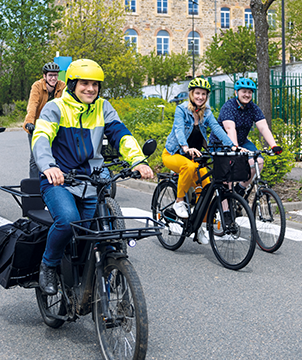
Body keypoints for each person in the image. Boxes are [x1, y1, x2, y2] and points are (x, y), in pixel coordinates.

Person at [31, 59, 153, 295]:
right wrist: (48, 166)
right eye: (84, 83)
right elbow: (42, 137)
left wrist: (138, 160)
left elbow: (121, 134)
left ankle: (93, 279)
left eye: (95, 84)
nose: (90, 89)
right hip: (60, 180)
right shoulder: (55, 107)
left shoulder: (103, 107)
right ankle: (48, 264)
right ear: (73, 84)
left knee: (95, 234)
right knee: (67, 222)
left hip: (91, 182)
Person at [162, 77, 234, 244]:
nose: (200, 97)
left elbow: (217, 128)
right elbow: (179, 130)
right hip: (174, 153)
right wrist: (185, 147)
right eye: (197, 93)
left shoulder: (206, 112)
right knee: (187, 166)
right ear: (191, 94)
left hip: (196, 158)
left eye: (203, 94)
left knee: (207, 187)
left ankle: (199, 226)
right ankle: (179, 202)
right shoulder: (181, 110)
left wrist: (232, 146)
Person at [212, 78, 282, 195]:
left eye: (250, 92)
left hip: (242, 141)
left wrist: (273, 145)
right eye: (244, 91)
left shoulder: (253, 108)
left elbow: (263, 127)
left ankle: (240, 189)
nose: (247, 95)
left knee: (258, 162)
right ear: (236, 92)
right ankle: (226, 211)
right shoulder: (229, 107)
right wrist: (235, 147)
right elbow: (230, 129)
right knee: (226, 179)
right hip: (222, 143)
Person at [23, 62, 66, 178]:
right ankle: (34, 186)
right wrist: (29, 123)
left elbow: (66, 105)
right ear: (44, 76)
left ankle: (56, 181)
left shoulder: (62, 86)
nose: (53, 78)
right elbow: (33, 105)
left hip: (55, 125)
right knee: (35, 157)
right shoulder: (37, 86)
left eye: (55, 75)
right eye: (50, 75)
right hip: (37, 125)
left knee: (58, 155)